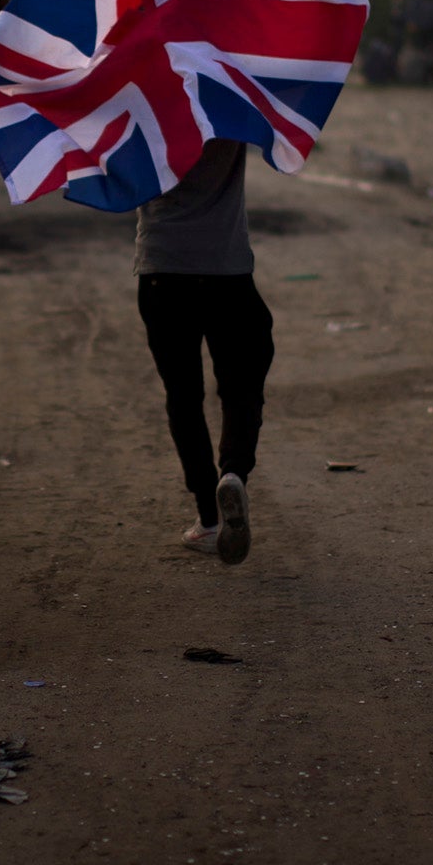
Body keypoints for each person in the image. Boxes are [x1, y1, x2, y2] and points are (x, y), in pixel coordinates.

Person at [136, 138, 273, 566]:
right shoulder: (226, 94)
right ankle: (233, 471)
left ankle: (208, 520)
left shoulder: (139, 99)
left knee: (183, 396)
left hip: (162, 268)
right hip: (226, 269)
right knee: (241, 383)